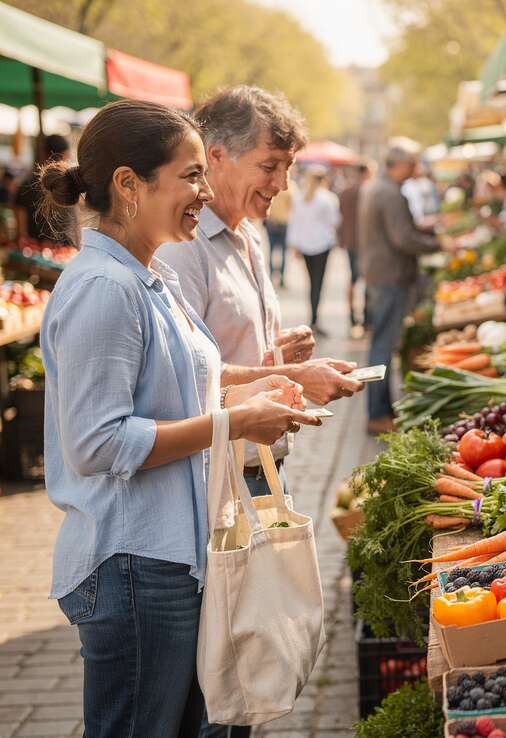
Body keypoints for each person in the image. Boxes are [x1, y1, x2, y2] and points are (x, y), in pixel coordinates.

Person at [38, 99, 318, 738]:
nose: (202, 191)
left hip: (167, 557)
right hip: (133, 561)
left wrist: (271, 385)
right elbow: (97, 444)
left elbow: (189, 385)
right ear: (130, 186)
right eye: (190, 175)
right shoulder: (104, 288)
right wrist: (236, 424)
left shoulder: (144, 277)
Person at [157, 86, 362, 503]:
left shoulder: (249, 235)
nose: (283, 184)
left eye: (287, 167)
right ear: (216, 157)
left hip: (261, 468)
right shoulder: (183, 248)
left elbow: (223, 348)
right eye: (270, 166)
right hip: (218, 480)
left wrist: (277, 353)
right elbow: (181, 379)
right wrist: (294, 377)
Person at [359, 145, 441, 434]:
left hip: (382, 274)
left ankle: (382, 411)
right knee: (383, 345)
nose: (416, 168)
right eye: (413, 163)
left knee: (382, 344)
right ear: (402, 164)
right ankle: (378, 414)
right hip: (390, 276)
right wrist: (438, 244)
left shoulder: (380, 188)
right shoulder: (390, 192)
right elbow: (403, 238)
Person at [288, 165, 341, 334]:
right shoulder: (328, 198)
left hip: (305, 245)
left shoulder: (300, 196)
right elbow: (335, 221)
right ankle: (314, 319)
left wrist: (294, 244)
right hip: (322, 244)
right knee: (318, 283)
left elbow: (294, 221)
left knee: (311, 282)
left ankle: (313, 318)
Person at [15, 134, 78, 245]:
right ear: (65, 155)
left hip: (35, 248)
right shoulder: (70, 183)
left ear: (44, 152)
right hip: (63, 249)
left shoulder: (27, 183)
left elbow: (21, 227)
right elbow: (74, 222)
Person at [339, 162, 372, 335]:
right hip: (366, 243)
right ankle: (366, 318)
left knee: (352, 280)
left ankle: (352, 317)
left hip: (350, 241)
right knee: (367, 280)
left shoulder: (345, 192)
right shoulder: (369, 191)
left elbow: (340, 218)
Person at [264, 188, 290, 287]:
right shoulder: (290, 188)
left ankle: (271, 276)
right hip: (284, 223)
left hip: (272, 222)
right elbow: (292, 206)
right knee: (283, 252)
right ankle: (281, 278)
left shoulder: (272, 186)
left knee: (271, 251)